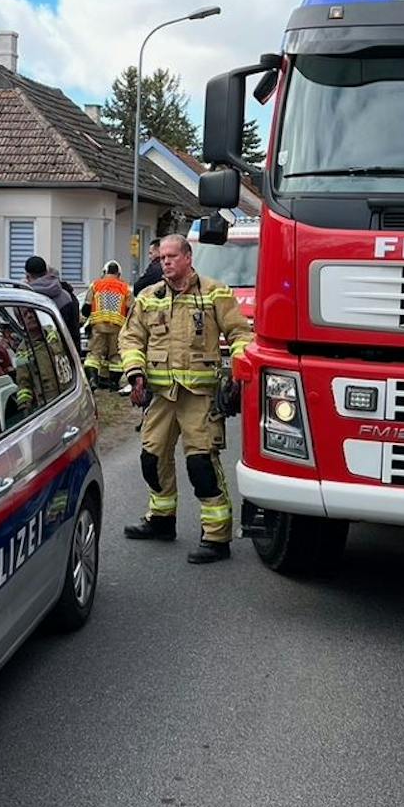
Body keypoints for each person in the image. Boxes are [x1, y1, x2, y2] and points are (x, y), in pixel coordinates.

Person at [118, 233, 251, 564]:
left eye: (172, 256)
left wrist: (237, 373)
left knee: (201, 464)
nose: (165, 262)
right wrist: (135, 374)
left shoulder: (215, 292)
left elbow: (241, 334)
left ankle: (217, 537)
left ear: (188, 258)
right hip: (161, 397)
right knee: (152, 458)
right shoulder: (149, 297)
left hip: (199, 397)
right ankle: (161, 520)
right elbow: (131, 338)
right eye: (162, 257)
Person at [81, 260, 131, 389]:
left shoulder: (95, 285)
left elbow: (86, 308)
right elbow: (131, 309)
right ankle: (114, 383)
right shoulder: (125, 287)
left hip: (98, 325)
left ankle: (92, 379)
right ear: (119, 273)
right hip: (117, 326)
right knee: (116, 355)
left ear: (104, 272)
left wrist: (86, 323)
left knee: (94, 354)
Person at [24, 255, 80, 342]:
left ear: (27, 276)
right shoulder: (66, 296)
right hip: (64, 351)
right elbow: (74, 331)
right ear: (46, 272)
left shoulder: (25, 298)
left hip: (37, 351)